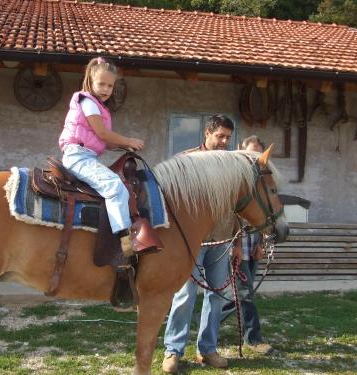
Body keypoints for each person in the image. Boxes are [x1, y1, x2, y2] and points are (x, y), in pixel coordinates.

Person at [162, 114, 242, 373]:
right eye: (220, 136)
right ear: (207, 133)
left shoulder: (232, 164)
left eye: (228, 137)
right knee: (185, 295)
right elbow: (170, 201)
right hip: (191, 243)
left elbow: (238, 207)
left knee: (217, 296)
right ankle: (173, 350)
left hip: (221, 240)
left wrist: (238, 241)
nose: (224, 141)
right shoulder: (186, 161)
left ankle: (207, 349)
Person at [58, 57, 148, 256]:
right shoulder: (87, 101)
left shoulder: (99, 107)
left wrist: (125, 148)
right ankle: (124, 243)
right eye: (101, 84)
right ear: (90, 80)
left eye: (110, 85)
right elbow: (102, 133)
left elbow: (104, 141)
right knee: (115, 187)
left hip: (86, 156)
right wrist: (128, 140)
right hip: (78, 156)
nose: (106, 89)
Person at [218, 135, 273, 355]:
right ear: (241, 150)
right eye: (251, 153)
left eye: (258, 154)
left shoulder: (258, 180)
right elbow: (231, 215)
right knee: (246, 293)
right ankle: (254, 338)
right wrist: (237, 245)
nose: (254, 157)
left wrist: (260, 243)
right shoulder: (235, 176)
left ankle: (209, 321)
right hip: (237, 244)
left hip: (252, 244)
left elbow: (259, 217)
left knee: (241, 293)